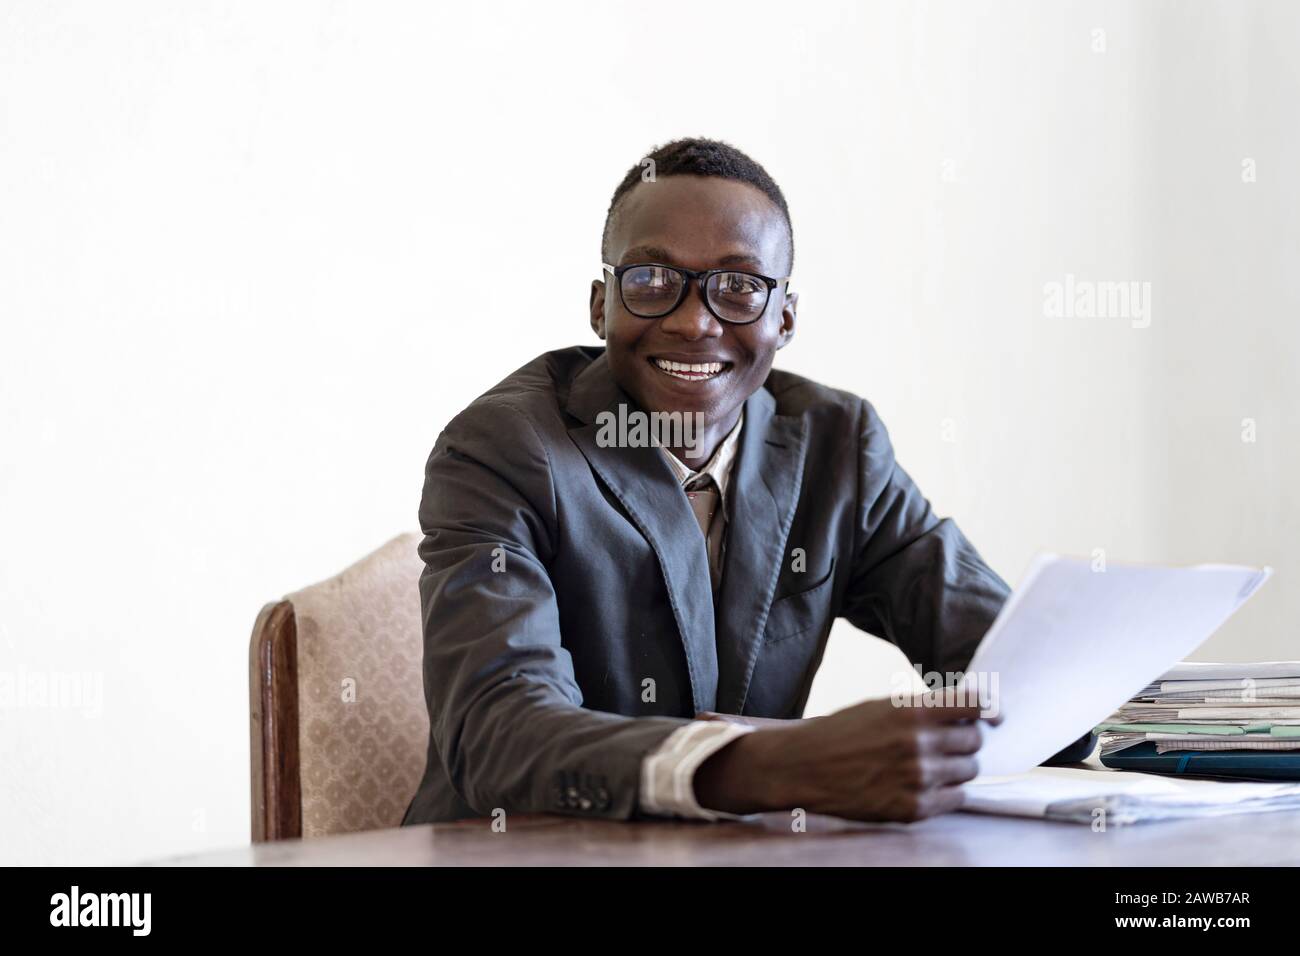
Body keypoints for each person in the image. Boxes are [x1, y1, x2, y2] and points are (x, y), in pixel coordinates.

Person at [402, 138, 1076, 827]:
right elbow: (497, 734)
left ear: (784, 318)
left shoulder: (837, 445)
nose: (694, 322)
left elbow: (1016, 670)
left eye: (740, 287)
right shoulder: (504, 450)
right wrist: (775, 764)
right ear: (602, 305)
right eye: (652, 282)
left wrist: (1095, 702)